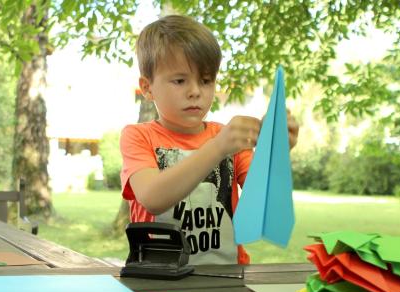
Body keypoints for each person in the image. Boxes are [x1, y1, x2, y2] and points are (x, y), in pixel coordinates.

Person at [120, 15, 299, 265]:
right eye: (180, 80)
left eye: (206, 80)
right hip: (158, 277)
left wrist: (277, 151)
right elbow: (152, 198)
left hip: (227, 276)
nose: (195, 91)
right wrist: (217, 148)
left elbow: (264, 205)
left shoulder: (228, 138)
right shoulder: (138, 136)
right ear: (147, 87)